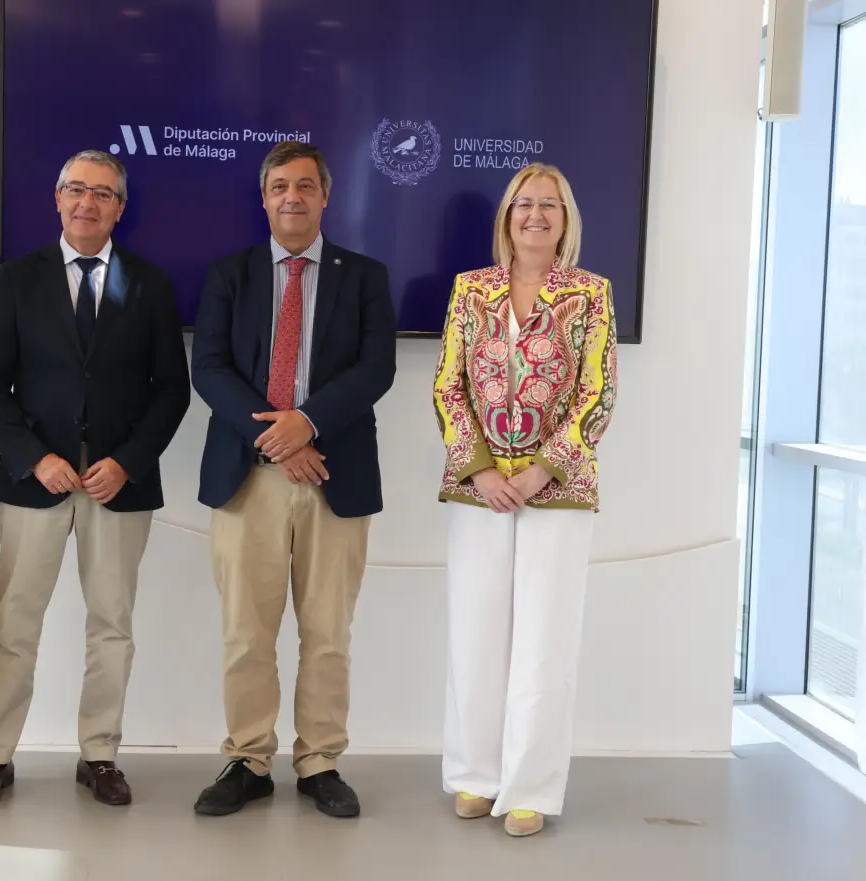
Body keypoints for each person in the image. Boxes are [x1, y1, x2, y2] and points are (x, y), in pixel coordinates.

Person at [0, 150, 190, 810]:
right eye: (77, 190)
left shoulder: (150, 283)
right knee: (15, 624)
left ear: (121, 207)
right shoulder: (19, 278)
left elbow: (171, 390)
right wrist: (35, 457)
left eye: (103, 193)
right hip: (36, 480)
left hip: (118, 484)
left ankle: (100, 753)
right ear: (57, 199)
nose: (88, 202)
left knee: (112, 623)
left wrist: (128, 460)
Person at [190, 141, 397, 818]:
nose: (292, 197)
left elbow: (376, 369)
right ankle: (248, 759)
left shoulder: (363, 276)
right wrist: (278, 440)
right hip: (247, 477)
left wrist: (306, 423)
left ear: (325, 196)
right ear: (264, 197)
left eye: (306, 185)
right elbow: (209, 368)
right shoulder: (230, 273)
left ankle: (320, 760)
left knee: (328, 631)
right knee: (246, 632)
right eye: (280, 185)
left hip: (334, 474)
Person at [432, 162, 618, 837]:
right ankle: (476, 776)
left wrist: (541, 471)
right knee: (476, 632)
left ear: (566, 219)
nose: (535, 215)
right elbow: (448, 384)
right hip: (478, 489)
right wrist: (481, 470)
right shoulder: (470, 288)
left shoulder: (591, 293)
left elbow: (597, 392)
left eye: (549, 205)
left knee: (544, 638)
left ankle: (529, 787)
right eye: (523, 204)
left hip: (558, 489)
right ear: (506, 216)